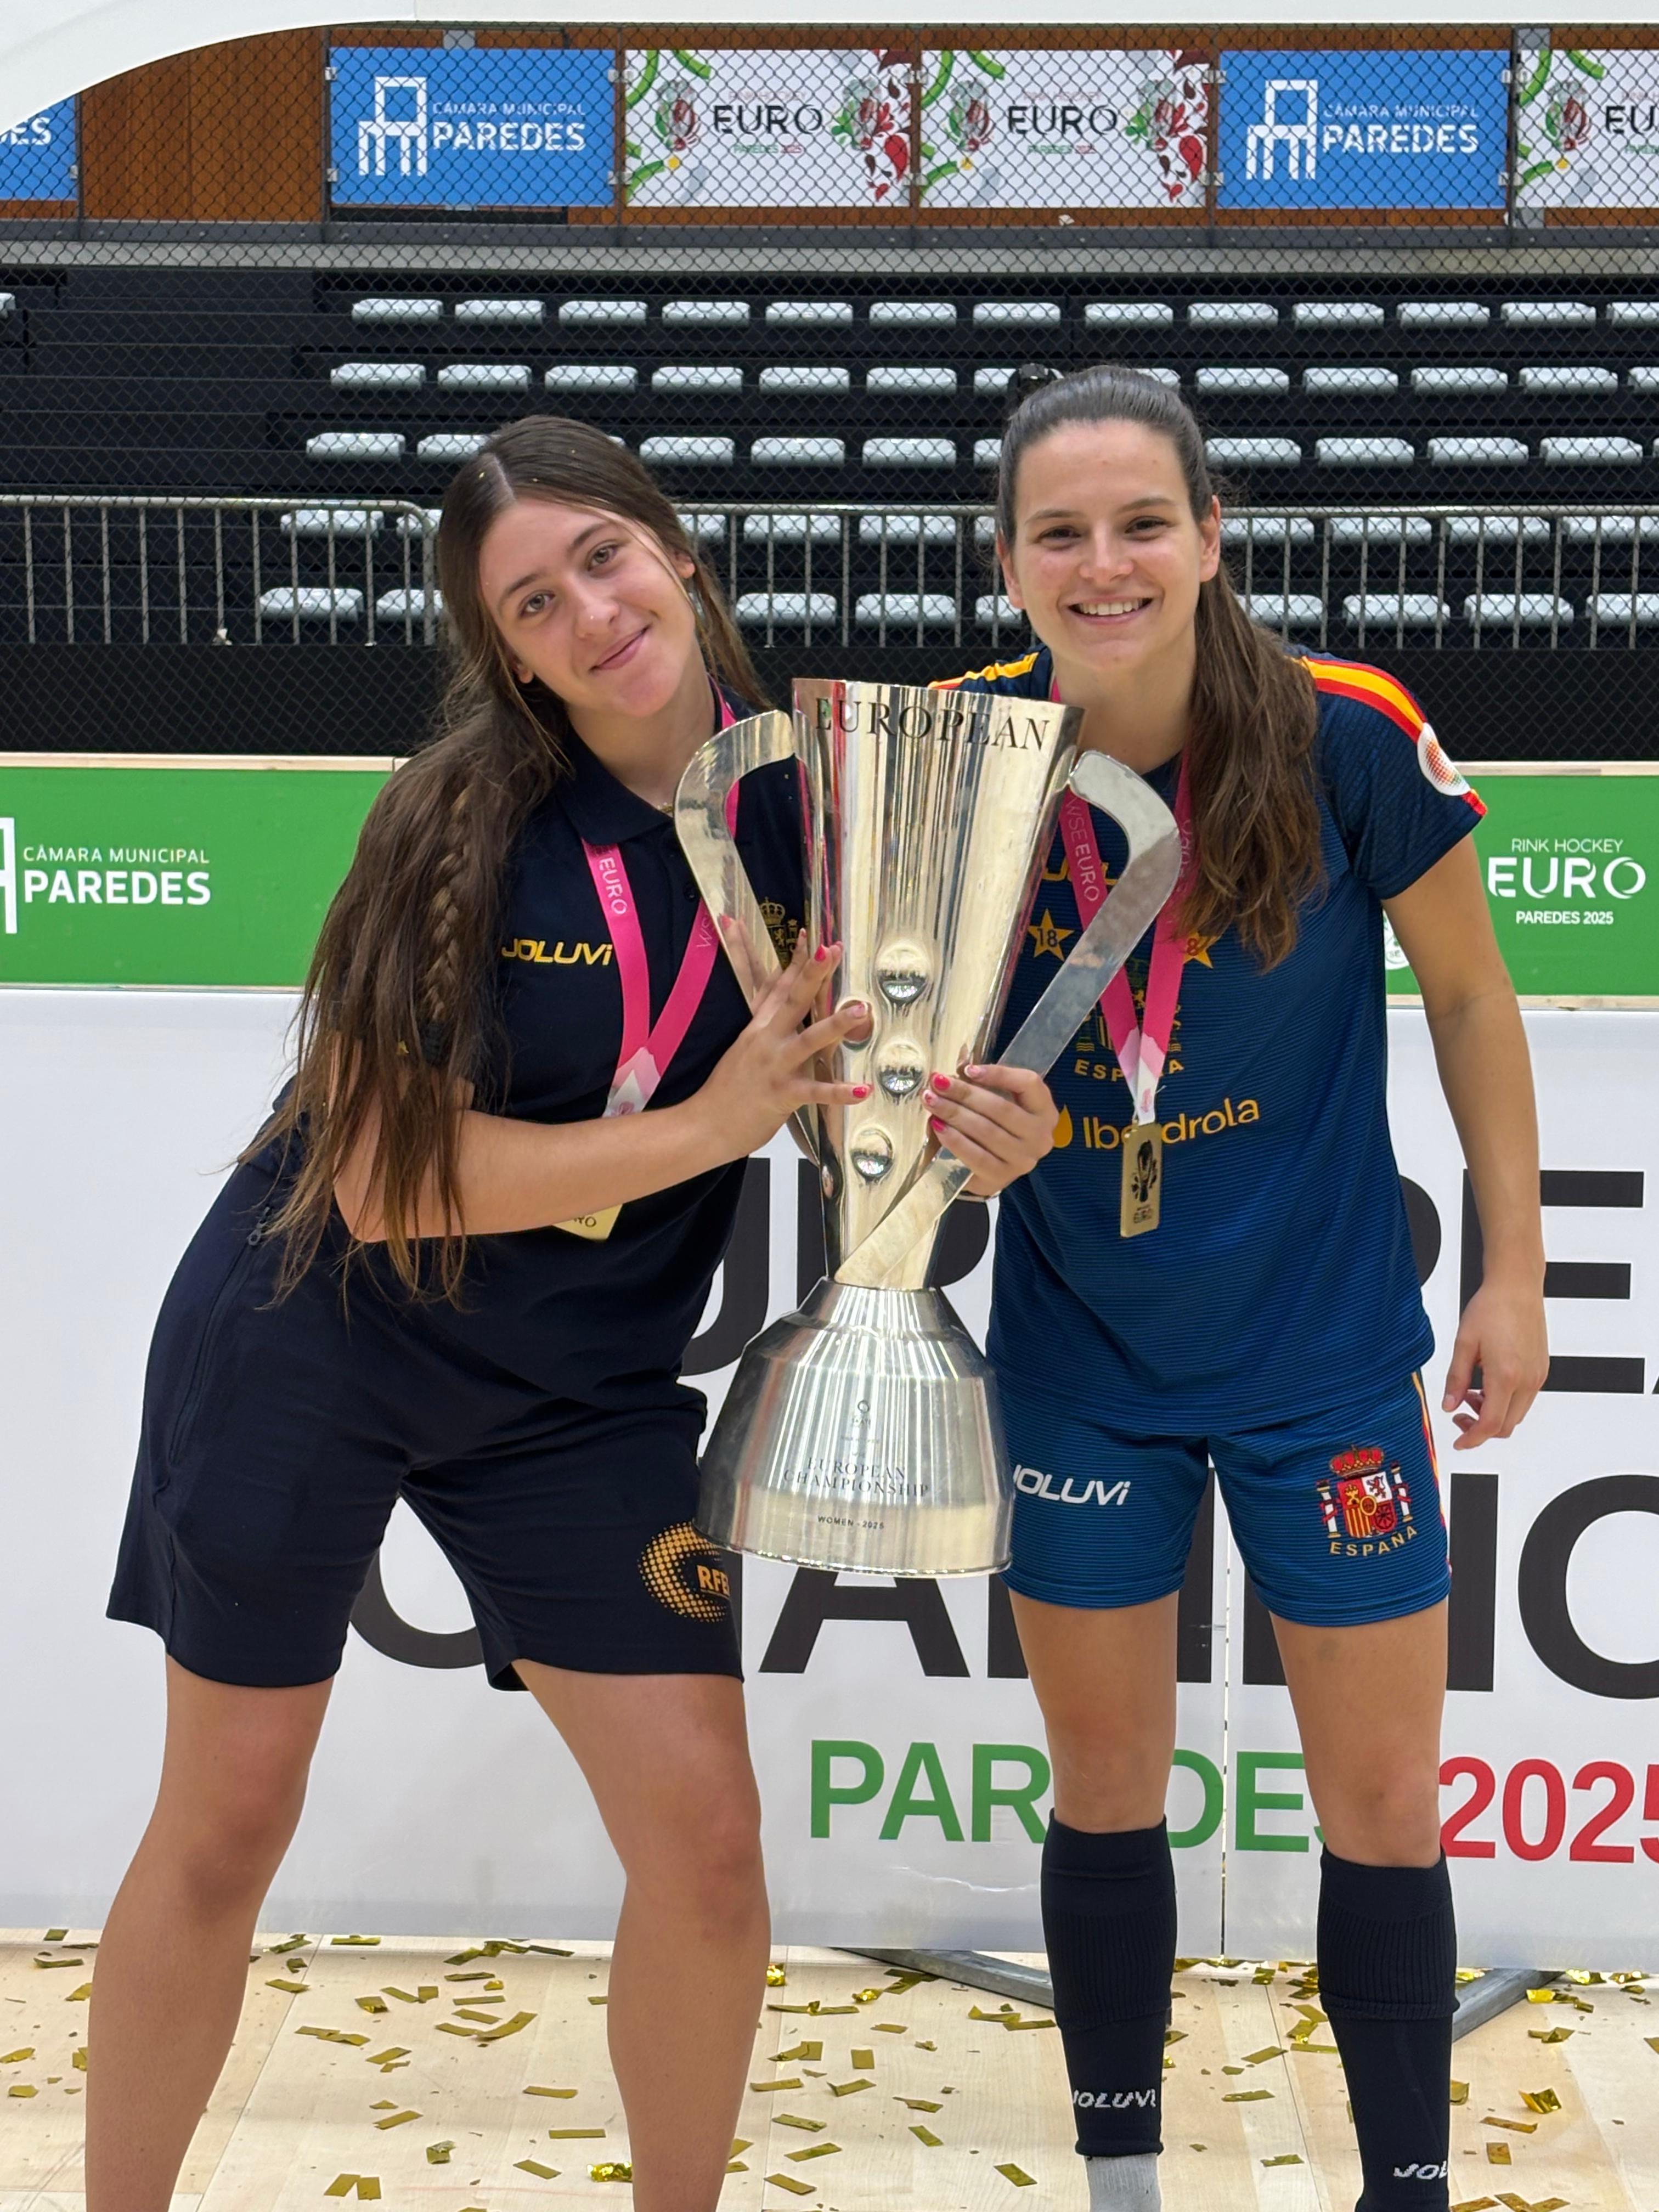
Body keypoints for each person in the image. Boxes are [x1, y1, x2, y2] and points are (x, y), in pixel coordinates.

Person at [92, 413, 1059, 2212]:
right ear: (510, 650)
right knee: (225, 1824)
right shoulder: (459, 825)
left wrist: (983, 1133)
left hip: (580, 1392)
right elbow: (382, 1177)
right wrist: (712, 1121)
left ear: (674, 548)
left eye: (603, 560)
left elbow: (898, 1073)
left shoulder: (830, 800)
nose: (590, 615)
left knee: (705, 1841)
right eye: (533, 603)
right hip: (319, 1332)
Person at [934, 365, 1549, 2212]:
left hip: (1326, 1364)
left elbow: (1468, 1000)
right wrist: (955, 1124)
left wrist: (1511, 1272)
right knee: (1106, 1792)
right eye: (1061, 532)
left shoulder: (1344, 731)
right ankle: (1122, 2182)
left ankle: (1405, 2189)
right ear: (1010, 561)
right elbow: (886, 1062)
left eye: (1143, 524)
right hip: (1080, 1365)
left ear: (1211, 538)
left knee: (1379, 1807)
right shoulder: (958, 756)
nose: (1104, 564)